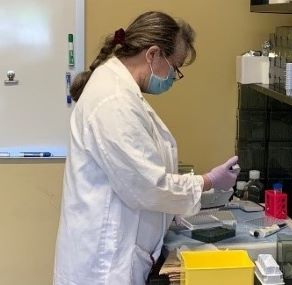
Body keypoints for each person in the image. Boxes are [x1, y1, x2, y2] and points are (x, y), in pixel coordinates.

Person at [53, 11, 239, 285]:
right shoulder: (114, 101)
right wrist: (208, 181)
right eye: (175, 68)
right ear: (153, 54)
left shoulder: (121, 92)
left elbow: (139, 174)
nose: (174, 78)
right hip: (104, 265)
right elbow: (147, 185)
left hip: (116, 251)